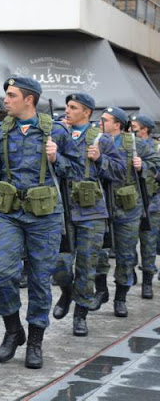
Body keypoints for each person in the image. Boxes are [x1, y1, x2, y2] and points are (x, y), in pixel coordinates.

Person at [0, 77, 82, 369]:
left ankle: (36, 342)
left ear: (29, 99)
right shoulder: (1, 132)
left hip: (45, 217)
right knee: (2, 275)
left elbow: (78, 170)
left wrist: (57, 160)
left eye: (12, 95)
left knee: (40, 281)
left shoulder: (55, 131)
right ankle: (13, 330)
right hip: (10, 213)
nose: (6, 100)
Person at [51, 93, 125, 337]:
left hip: (91, 212)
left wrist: (100, 159)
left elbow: (120, 172)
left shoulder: (101, 139)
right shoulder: (59, 135)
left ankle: (80, 314)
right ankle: (66, 292)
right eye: (66, 107)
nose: (67, 111)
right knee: (60, 264)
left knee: (87, 265)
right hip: (63, 210)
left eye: (73, 108)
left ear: (86, 112)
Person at [95, 107, 160, 317]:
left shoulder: (134, 144)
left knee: (125, 256)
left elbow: (156, 164)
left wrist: (143, 167)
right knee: (98, 253)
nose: (100, 123)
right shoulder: (96, 141)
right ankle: (101, 290)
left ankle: (120, 298)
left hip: (127, 208)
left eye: (105, 120)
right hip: (99, 206)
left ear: (117, 124)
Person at [130, 114, 160, 299]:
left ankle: (147, 281)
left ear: (144, 130)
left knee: (148, 243)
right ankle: (129, 271)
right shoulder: (128, 145)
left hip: (152, 204)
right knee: (127, 243)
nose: (131, 128)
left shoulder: (155, 148)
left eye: (134, 126)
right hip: (131, 203)